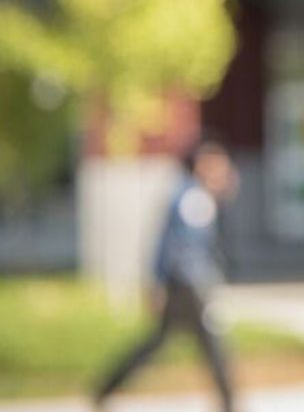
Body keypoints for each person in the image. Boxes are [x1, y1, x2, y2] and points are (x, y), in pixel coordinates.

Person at [94, 136, 239, 412]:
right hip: (188, 285)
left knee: (158, 342)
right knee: (212, 344)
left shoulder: (195, 194)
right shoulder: (192, 198)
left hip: (184, 283)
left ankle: (106, 388)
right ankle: (230, 404)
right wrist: (158, 281)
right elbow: (172, 245)